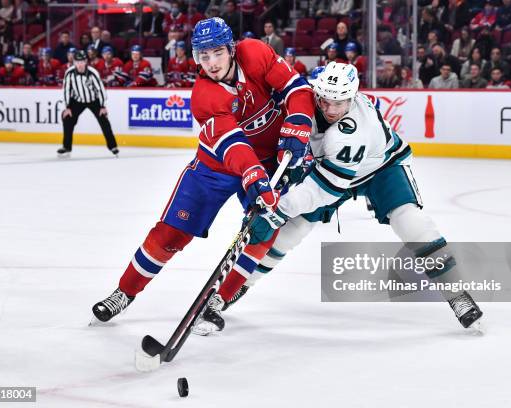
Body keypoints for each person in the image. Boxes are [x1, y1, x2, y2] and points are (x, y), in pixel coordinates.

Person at [194, 62, 484, 335]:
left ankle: (456, 293)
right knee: (289, 234)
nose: (330, 109)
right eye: (325, 100)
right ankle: (236, 288)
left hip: (380, 167)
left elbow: (324, 189)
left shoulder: (352, 132)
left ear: (352, 98)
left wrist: (278, 207)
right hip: (329, 168)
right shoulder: (312, 99)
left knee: (411, 222)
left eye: (339, 102)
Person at [91, 17, 314, 323]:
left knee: (265, 226)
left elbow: (297, 89)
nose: (210, 63)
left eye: (217, 53)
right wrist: (252, 175)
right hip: (215, 166)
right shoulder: (204, 95)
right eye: (203, 55)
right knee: (171, 233)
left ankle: (220, 300)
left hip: (269, 161)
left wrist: (299, 122)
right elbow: (234, 146)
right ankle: (125, 292)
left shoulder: (256, 53)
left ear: (231, 49)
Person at [58, 50, 119, 157]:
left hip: (93, 100)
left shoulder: (92, 73)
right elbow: (66, 90)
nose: (80, 64)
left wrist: (102, 106)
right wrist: (67, 107)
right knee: (67, 119)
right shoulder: (69, 73)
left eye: (82, 61)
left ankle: (112, 146)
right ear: (74, 62)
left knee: (104, 120)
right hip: (77, 100)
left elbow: (100, 89)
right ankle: (66, 146)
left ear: (86, 61)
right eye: (77, 62)